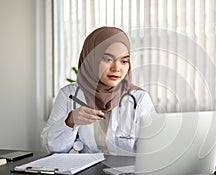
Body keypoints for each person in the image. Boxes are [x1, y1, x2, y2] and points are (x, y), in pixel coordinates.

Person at [41, 27, 156, 155]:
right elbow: (52, 148)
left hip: (127, 173)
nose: (117, 68)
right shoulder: (69, 95)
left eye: (124, 61)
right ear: (91, 59)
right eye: (107, 59)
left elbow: (152, 150)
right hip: (87, 172)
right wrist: (71, 120)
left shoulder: (139, 98)